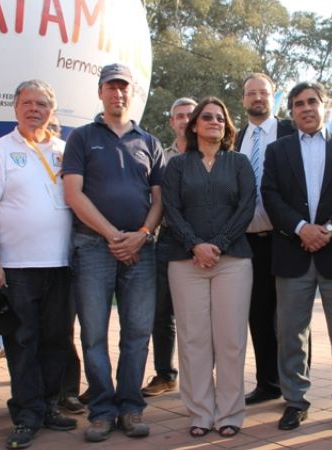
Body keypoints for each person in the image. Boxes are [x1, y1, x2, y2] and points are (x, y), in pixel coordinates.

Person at [62, 63, 163, 443]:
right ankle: (102, 410)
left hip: (141, 250)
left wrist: (140, 234)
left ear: (131, 92)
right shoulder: (83, 138)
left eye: (123, 87)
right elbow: (73, 194)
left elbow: (159, 200)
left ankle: (130, 406)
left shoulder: (149, 142)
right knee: (93, 334)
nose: (117, 93)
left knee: (137, 332)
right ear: (100, 91)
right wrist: (113, 236)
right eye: (111, 87)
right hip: (92, 247)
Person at [0, 79, 77, 449]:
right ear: (16, 107)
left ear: (53, 109)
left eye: (43, 103)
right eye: (28, 102)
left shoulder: (66, 150)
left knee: (56, 341)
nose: (35, 109)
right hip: (16, 266)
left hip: (61, 265)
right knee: (22, 340)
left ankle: (49, 404)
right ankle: (27, 412)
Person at [261, 81, 332, 432]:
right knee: (291, 332)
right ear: (290, 111)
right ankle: (295, 400)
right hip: (293, 251)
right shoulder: (277, 151)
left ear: (325, 106)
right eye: (298, 104)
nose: (305, 108)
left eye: (312, 102)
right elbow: (271, 195)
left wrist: (330, 230)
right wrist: (302, 227)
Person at [162, 97, 255, 437]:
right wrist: (194, 245)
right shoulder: (177, 166)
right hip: (186, 262)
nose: (213, 121)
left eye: (220, 117)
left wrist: (217, 245)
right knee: (193, 339)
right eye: (206, 117)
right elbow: (171, 210)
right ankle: (200, 412)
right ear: (195, 125)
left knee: (230, 340)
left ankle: (230, 413)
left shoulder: (240, 163)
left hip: (233, 262)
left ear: (227, 125)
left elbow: (246, 208)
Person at [234, 73, 297, 405]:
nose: (257, 98)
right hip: (249, 241)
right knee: (258, 313)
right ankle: (268, 382)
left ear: (274, 97)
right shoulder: (237, 137)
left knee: (291, 314)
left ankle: (294, 384)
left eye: (264, 92)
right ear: (243, 100)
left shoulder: (290, 131)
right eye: (251, 93)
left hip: (287, 237)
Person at [141, 97, 196, 398]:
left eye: (190, 114)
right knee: (162, 313)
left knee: (202, 314)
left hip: (205, 245)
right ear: (171, 122)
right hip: (170, 241)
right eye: (179, 116)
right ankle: (165, 374)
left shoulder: (216, 152)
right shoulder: (162, 156)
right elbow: (158, 201)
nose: (185, 120)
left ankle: (202, 376)